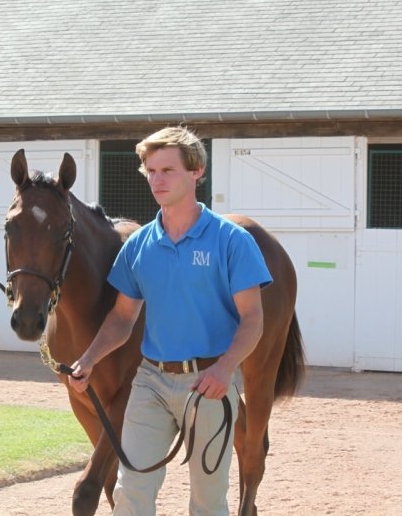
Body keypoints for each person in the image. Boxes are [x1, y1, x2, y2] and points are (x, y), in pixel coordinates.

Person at [68, 127, 272, 515]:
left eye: (167, 170)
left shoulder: (231, 241)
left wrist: (225, 368)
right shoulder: (139, 245)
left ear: (196, 171)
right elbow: (122, 317)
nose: (157, 180)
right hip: (151, 382)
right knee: (130, 491)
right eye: (151, 171)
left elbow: (253, 318)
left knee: (208, 502)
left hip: (209, 384)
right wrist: (89, 359)